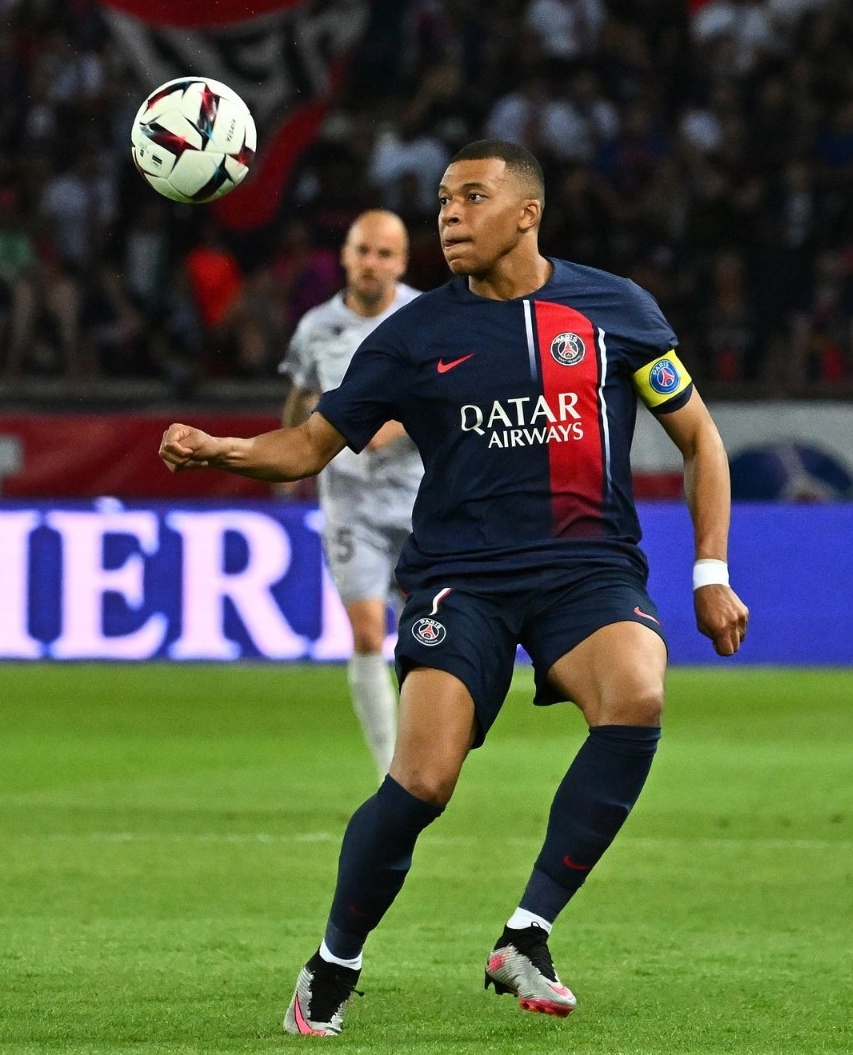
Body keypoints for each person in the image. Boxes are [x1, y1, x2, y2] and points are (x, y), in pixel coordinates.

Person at [159, 139, 749, 1037]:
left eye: (471, 197)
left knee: (637, 694)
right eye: (442, 199)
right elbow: (308, 446)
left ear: (527, 213)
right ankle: (333, 962)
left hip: (586, 569)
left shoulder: (614, 309)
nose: (448, 215)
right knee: (424, 780)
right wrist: (221, 449)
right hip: (461, 581)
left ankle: (527, 932)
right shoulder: (413, 335)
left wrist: (710, 570)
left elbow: (700, 438)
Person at [279, 209, 422, 779]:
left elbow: (453, 397)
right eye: (363, 251)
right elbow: (300, 394)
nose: (371, 263)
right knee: (366, 631)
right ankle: (393, 771)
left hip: (421, 500)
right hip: (349, 502)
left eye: (384, 254)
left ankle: (427, 750)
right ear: (345, 255)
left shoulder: (425, 319)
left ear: (402, 262)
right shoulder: (317, 327)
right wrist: (291, 457)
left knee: (426, 635)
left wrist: (396, 424)